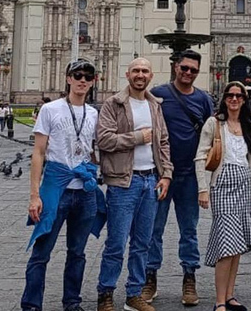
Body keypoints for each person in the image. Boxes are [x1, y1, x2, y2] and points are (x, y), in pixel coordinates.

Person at [21, 59, 104, 311]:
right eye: (77, 75)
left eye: (87, 76)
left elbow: (90, 149)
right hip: (56, 187)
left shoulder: (93, 113)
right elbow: (38, 152)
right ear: (68, 78)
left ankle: (72, 302)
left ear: (93, 82)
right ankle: (32, 304)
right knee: (42, 251)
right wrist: (34, 195)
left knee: (77, 252)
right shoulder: (51, 109)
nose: (82, 80)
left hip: (84, 192)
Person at [96, 58, 173, 311]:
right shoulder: (114, 104)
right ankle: (105, 294)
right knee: (116, 243)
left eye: (145, 71)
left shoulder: (155, 105)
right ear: (128, 74)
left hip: (150, 180)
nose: (140, 75)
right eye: (136, 71)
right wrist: (138, 137)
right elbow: (104, 140)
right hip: (123, 183)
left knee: (143, 243)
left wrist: (166, 175)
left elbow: (162, 142)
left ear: (151, 76)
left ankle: (134, 293)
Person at [144, 50, 214, 306]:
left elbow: (212, 133)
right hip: (162, 175)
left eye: (193, 70)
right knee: (154, 229)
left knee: (189, 230)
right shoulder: (159, 95)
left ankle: (189, 277)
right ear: (175, 67)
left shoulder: (204, 99)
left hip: (190, 177)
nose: (188, 73)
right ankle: (149, 277)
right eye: (184, 68)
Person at [196, 81, 251, 311]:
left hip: (244, 185)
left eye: (239, 96)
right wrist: (203, 189)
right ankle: (219, 301)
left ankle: (231, 295)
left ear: (244, 100)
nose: (234, 99)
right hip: (222, 185)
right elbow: (200, 157)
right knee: (227, 243)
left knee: (238, 244)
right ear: (224, 99)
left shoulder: (249, 127)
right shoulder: (214, 124)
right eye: (230, 95)